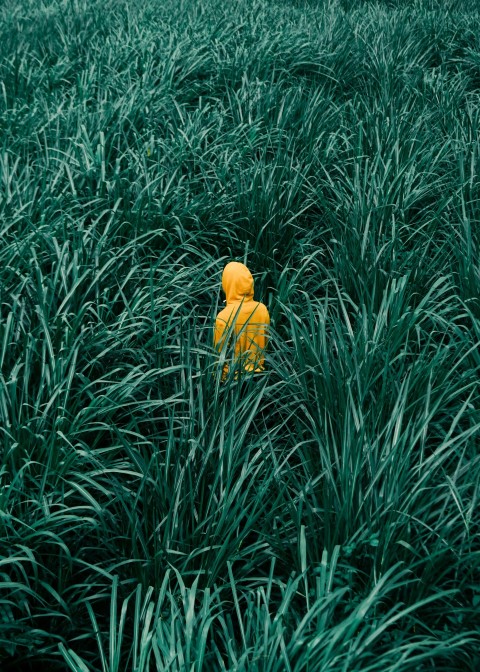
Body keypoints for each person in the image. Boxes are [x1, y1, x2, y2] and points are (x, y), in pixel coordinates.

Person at [213, 261, 270, 380]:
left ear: (227, 283)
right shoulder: (262, 309)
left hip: (232, 382)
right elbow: (265, 342)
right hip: (259, 376)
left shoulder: (223, 317)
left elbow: (219, 357)